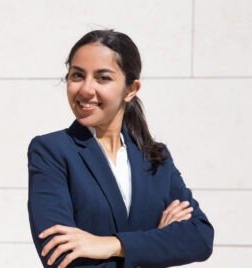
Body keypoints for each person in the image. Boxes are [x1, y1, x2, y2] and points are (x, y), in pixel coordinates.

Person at [27, 29, 214, 268]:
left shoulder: (155, 158)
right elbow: (61, 257)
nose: (85, 89)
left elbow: (200, 237)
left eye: (102, 78)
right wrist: (157, 243)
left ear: (131, 89)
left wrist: (112, 245)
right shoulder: (51, 152)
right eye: (77, 75)